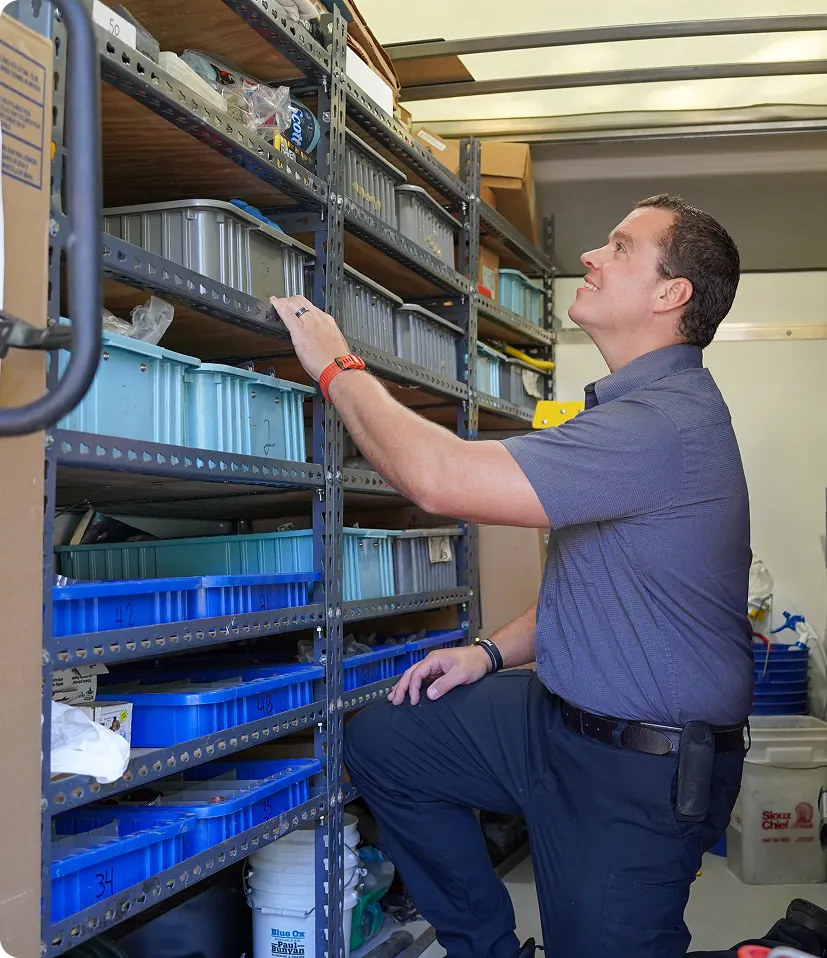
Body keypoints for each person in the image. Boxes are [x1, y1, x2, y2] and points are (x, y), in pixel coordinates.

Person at [269, 193, 753, 958]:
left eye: (620, 247)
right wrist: (487, 653)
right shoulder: (630, 412)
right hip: (555, 722)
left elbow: (435, 477)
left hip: (638, 773)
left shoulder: (661, 424)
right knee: (391, 743)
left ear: (671, 294)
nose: (591, 257)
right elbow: (596, 589)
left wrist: (335, 364)